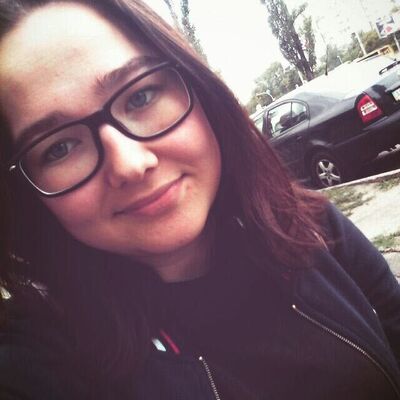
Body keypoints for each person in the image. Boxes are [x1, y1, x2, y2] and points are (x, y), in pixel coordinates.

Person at [0, 1, 399, 399]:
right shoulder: (42, 361)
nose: (130, 165)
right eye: (59, 148)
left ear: (198, 87)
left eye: (140, 97)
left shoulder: (309, 224)